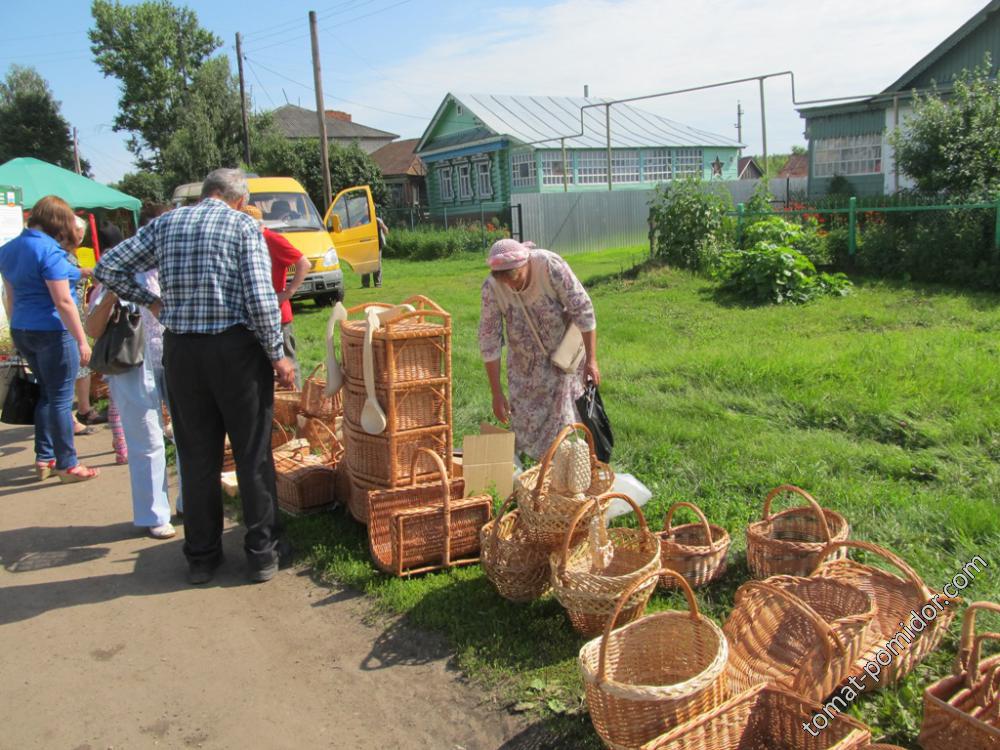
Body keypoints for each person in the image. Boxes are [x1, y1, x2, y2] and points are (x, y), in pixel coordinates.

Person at [95, 168, 295, 585]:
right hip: (236, 351)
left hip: (183, 352)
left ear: (206, 193)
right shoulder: (243, 225)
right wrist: (278, 355)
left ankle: (202, 557)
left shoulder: (166, 222)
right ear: (238, 199)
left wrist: (152, 302)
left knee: (197, 455)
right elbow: (261, 299)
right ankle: (262, 554)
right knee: (252, 453)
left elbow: (109, 266)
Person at [0, 195, 100, 482]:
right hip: (53, 331)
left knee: (47, 393)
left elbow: (11, 296)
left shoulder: (9, 249)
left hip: (22, 327)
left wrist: (83, 271)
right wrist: (82, 340)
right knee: (59, 399)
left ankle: (45, 457)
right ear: (58, 221)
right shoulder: (49, 251)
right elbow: (63, 301)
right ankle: (68, 464)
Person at [478, 238, 600, 460]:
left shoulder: (548, 265)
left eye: (515, 278)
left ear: (526, 263)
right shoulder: (492, 288)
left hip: (562, 361)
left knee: (564, 423)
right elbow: (489, 341)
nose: (511, 286)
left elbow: (582, 309)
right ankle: (535, 472)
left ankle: (566, 469)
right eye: (505, 281)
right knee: (526, 424)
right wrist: (496, 392)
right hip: (524, 367)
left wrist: (591, 360)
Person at [86, 271, 177, 539]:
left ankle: (190, 504)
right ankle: (155, 514)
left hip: (178, 357)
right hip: (130, 364)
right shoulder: (118, 271)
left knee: (191, 435)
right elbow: (93, 328)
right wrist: (113, 293)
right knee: (146, 440)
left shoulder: (174, 264)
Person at [241, 205, 311, 389]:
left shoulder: (272, 239)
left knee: (287, 364)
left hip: (278, 315)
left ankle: (295, 404)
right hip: (252, 316)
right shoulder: (245, 242)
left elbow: (304, 263)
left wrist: (288, 292)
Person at [361, 215, 388, 288]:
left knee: (377, 264)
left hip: (377, 245)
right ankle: (365, 284)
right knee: (365, 265)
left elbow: (386, 231)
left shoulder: (378, 220)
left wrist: (382, 226)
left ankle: (378, 284)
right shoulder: (363, 219)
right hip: (366, 245)